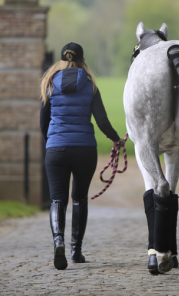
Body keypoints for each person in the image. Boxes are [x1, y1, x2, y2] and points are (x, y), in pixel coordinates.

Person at [40, 42, 124, 270]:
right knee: (79, 198)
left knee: (58, 199)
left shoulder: (49, 83)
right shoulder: (90, 86)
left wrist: (52, 143)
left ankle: (59, 242)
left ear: (62, 60)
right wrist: (116, 139)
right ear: (82, 60)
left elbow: (43, 121)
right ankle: (76, 251)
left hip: (56, 149)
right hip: (85, 149)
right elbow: (102, 121)